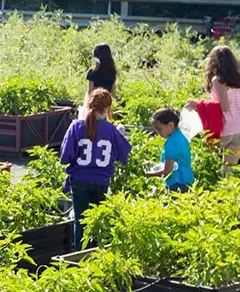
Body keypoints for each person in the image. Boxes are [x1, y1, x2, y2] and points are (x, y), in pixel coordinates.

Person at [59, 88, 131, 248]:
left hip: (80, 180)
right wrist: (122, 133)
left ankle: (79, 254)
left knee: (81, 222)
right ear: (107, 108)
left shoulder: (76, 126)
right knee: (99, 221)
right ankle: (98, 255)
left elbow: (65, 158)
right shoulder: (111, 130)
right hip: (101, 182)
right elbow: (124, 152)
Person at [203, 45, 240, 171]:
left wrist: (200, 106)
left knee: (207, 163)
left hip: (224, 129)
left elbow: (224, 107)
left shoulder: (217, 80)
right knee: (229, 170)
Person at [146, 108, 194, 192]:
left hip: (178, 183)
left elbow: (167, 170)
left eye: (160, 129)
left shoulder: (173, 142)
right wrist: (153, 165)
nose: (158, 132)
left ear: (170, 125)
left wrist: (149, 174)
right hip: (186, 180)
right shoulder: (178, 136)